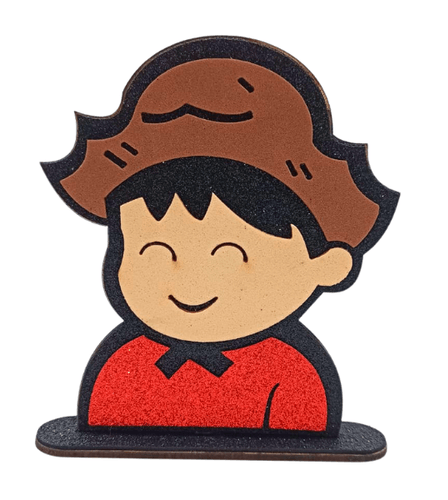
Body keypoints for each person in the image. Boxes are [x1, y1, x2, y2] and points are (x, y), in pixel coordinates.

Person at [42, 37, 398, 437]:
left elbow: (303, 427)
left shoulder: (291, 377)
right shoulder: (123, 366)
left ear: (325, 265)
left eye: (230, 256)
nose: (189, 280)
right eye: (155, 252)